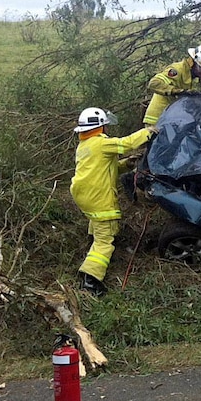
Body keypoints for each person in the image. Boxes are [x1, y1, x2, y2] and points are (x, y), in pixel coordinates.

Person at [71, 107, 157, 296]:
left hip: (83, 195)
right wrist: (148, 131)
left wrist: (126, 163)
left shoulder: (85, 146)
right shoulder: (101, 144)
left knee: (97, 221)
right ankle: (90, 281)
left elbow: (105, 168)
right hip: (97, 196)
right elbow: (125, 144)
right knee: (105, 238)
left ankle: (91, 239)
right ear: (100, 128)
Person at [142, 44, 201, 126]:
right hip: (157, 119)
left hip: (169, 120)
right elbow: (154, 83)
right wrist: (177, 92)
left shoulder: (190, 77)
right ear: (193, 63)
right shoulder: (177, 70)